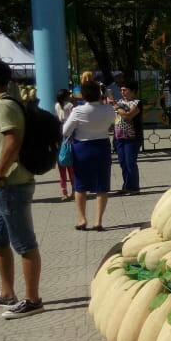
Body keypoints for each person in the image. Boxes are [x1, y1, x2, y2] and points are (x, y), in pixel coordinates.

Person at [0, 58, 43, 318]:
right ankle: (7, 293)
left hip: (11, 183)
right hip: (3, 185)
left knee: (24, 243)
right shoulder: (1, 105)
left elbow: (13, 140)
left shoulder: (4, 106)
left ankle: (33, 300)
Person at [64, 81, 113, 231]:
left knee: (80, 185)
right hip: (102, 146)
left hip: (82, 148)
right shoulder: (109, 109)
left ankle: (81, 219)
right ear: (99, 93)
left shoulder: (78, 111)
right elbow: (111, 123)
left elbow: (65, 131)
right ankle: (98, 221)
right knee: (102, 185)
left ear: (83, 95)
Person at [113, 80, 142, 196]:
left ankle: (134, 187)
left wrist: (116, 107)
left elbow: (128, 116)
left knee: (130, 162)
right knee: (123, 162)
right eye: (121, 90)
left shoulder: (137, 103)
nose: (122, 92)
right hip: (119, 137)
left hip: (132, 137)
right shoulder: (120, 102)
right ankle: (126, 186)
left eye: (125, 90)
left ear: (133, 91)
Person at [55, 89, 75, 202]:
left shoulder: (57, 105)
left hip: (60, 136)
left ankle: (64, 193)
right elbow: (74, 119)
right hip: (70, 135)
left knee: (61, 168)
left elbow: (57, 118)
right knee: (72, 168)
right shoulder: (70, 105)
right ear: (67, 96)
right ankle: (74, 191)